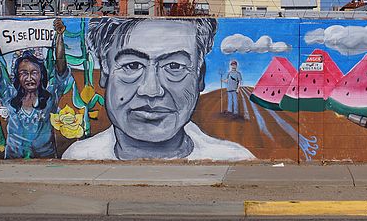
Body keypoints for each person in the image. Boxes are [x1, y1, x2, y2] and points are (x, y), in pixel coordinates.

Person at [62, 18, 254, 161]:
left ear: (199, 76)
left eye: (174, 67)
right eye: (132, 65)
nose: (151, 91)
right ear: (105, 72)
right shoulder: (77, 157)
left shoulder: (234, 159)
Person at [0, 18, 72, 159]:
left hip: (45, 159)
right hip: (14, 159)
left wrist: (60, 37)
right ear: (17, 77)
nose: (29, 77)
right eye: (24, 73)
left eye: (34, 72)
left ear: (41, 75)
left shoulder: (50, 97)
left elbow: (61, 71)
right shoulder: (9, 95)